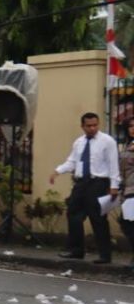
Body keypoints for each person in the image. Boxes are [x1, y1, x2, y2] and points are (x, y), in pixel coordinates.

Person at [52, 111, 120, 264]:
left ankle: (105, 254)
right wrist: (58, 171)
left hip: (98, 182)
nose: (92, 128)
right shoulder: (79, 142)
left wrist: (114, 185)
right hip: (81, 182)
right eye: (88, 126)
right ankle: (76, 250)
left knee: (97, 217)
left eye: (95, 125)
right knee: (73, 213)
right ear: (82, 126)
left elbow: (113, 164)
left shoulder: (107, 141)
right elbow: (72, 161)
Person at [116, 116, 134, 277]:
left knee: (129, 224)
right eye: (131, 126)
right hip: (127, 190)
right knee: (126, 223)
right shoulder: (127, 146)